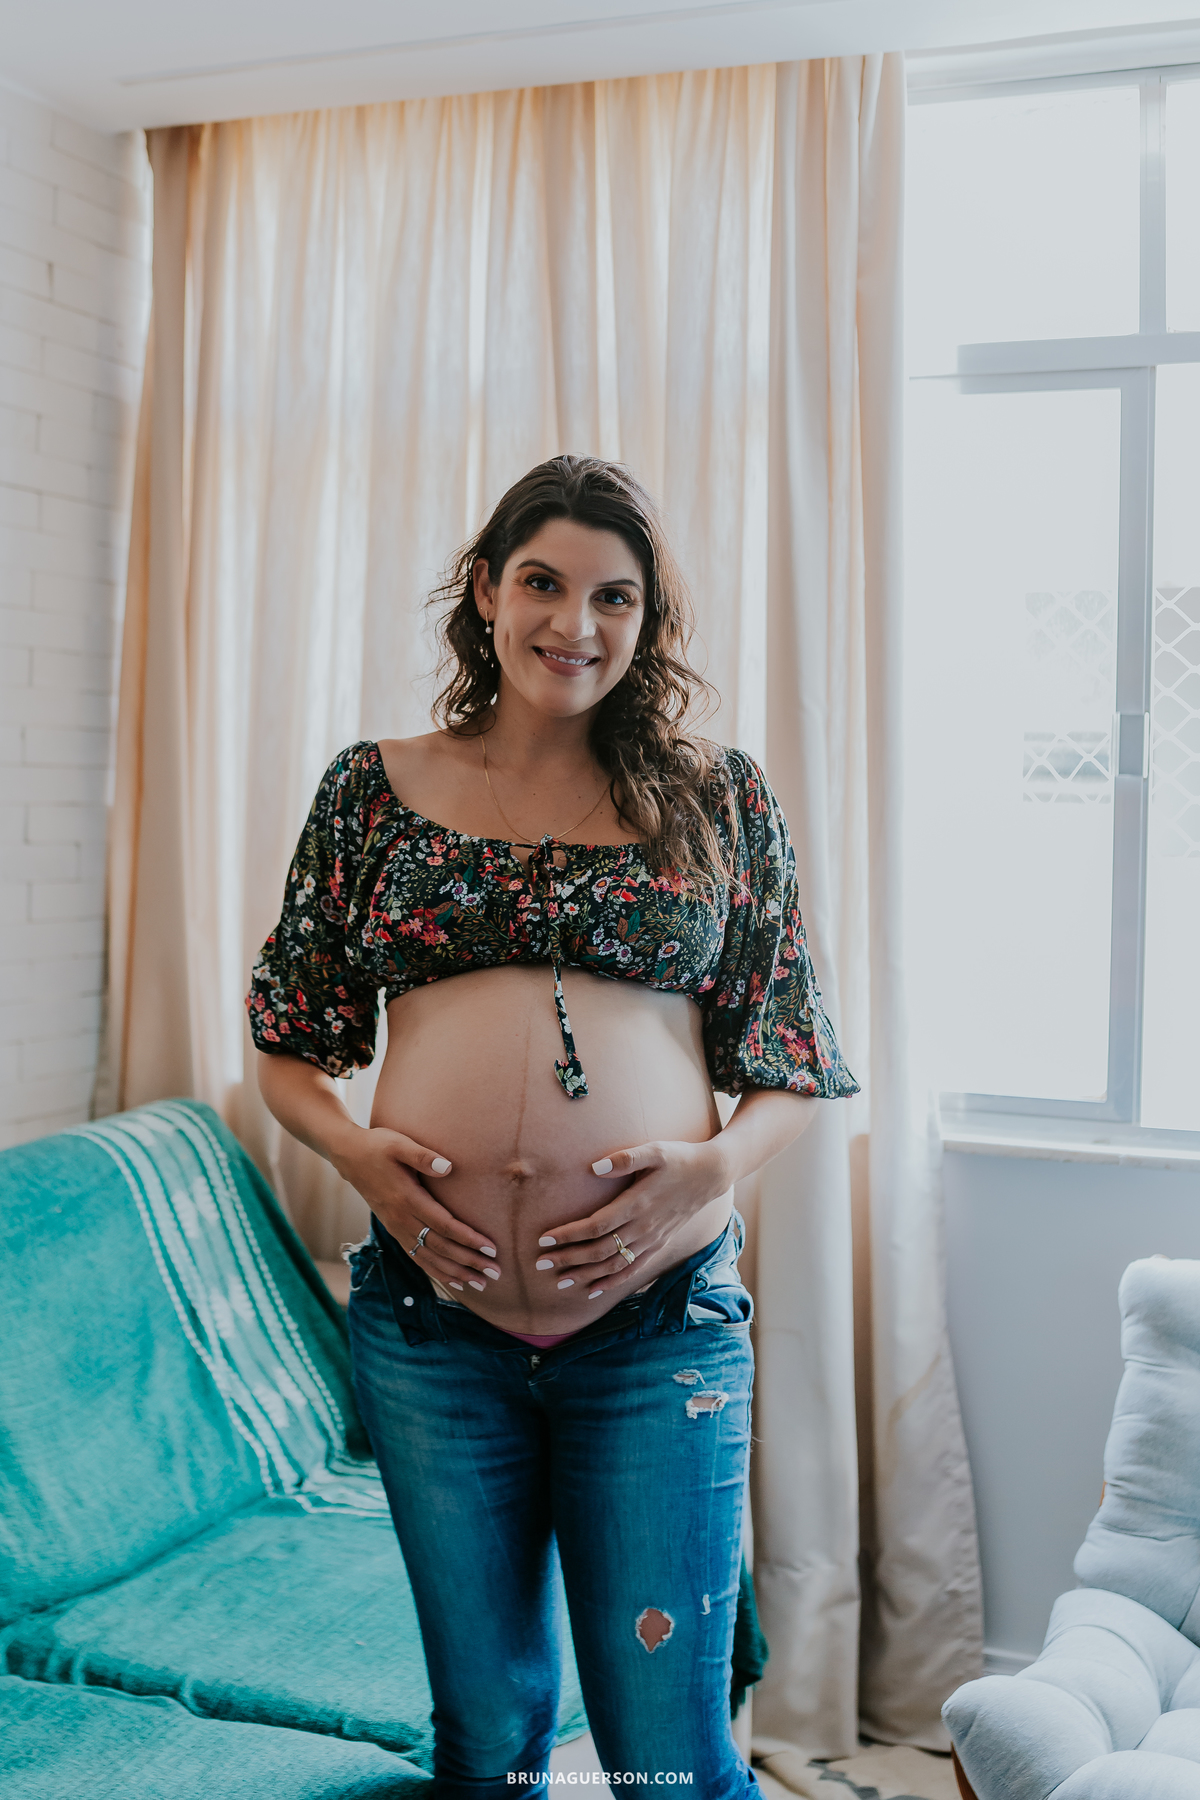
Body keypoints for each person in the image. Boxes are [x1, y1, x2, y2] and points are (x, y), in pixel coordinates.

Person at [249, 455, 858, 1799]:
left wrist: (702, 1172)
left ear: (647, 627)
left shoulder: (718, 801)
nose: (572, 624)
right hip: (430, 1332)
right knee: (483, 1740)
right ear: (484, 591)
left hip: (657, 1330)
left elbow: (791, 1062)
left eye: (613, 598)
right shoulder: (372, 791)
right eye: (542, 582)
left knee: (668, 1760)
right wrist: (362, 1163)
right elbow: (288, 1046)